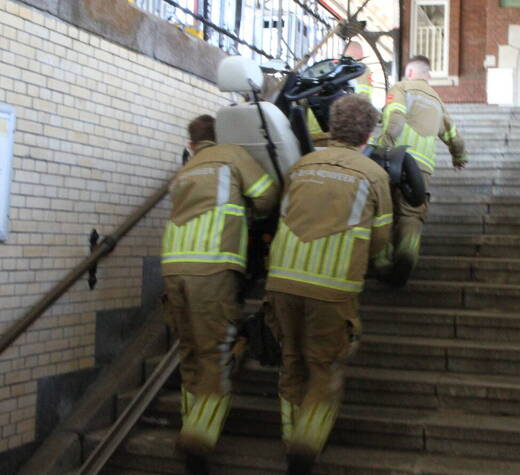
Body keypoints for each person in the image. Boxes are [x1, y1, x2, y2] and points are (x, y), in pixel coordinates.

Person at [265, 95, 393, 474]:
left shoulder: (301, 166)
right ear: (369, 134)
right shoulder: (374, 174)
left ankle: (291, 439)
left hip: (282, 281)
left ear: (332, 128)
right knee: (324, 367)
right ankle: (305, 447)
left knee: (290, 363)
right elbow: (382, 241)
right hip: (331, 287)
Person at [161, 114, 280, 472]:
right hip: (211, 268)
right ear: (220, 136)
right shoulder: (232, 156)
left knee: (190, 354)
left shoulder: (185, 170)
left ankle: (192, 424)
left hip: (173, 269)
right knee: (215, 352)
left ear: (191, 144)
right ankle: (197, 440)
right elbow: (266, 197)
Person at [372, 54, 467, 287]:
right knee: (412, 214)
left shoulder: (401, 88)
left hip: (393, 159)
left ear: (410, 72)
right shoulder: (438, 101)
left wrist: (380, 149)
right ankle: (408, 254)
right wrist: (459, 156)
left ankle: (382, 263)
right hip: (421, 169)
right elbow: (454, 136)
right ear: (428, 75)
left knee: (384, 209)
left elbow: (394, 123)